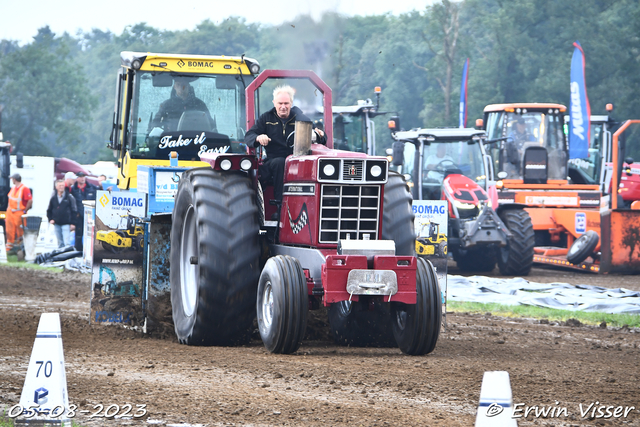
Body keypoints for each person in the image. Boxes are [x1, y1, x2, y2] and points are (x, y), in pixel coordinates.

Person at [244, 85, 325, 216]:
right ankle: (280, 208)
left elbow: (318, 135)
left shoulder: (299, 117)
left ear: (291, 103)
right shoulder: (266, 119)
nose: (283, 106)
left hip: (297, 159)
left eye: (286, 103)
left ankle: (312, 209)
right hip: (273, 161)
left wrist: (321, 135)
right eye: (280, 103)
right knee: (280, 163)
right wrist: (259, 137)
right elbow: (249, 136)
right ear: (274, 103)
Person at [70, 171, 99, 252]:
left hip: (91, 216)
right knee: (78, 235)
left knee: (91, 235)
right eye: (80, 177)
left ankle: (91, 251)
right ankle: (78, 252)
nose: (82, 178)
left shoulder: (92, 188)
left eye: (83, 176)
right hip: (79, 216)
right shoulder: (73, 189)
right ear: (77, 178)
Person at [5, 173, 33, 254]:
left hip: (19, 212)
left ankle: (20, 249)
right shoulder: (13, 188)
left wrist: (24, 211)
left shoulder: (24, 188)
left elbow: (30, 200)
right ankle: (9, 248)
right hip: (10, 212)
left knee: (20, 231)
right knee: (9, 230)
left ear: (15, 179)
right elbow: (10, 200)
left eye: (12, 179)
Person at [47, 179, 77, 248]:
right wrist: (50, 219)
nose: (61, 187)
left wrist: (73, 223)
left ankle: (67, 257)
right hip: (56, 223)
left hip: (66, 223)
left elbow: (74, 210)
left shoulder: (69, 197)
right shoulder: (53, 198)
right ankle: (60, 257)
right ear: (56, 187)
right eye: (60, 185)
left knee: (67, 243)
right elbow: (49, 210)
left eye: (62, 185)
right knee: (59, 243)